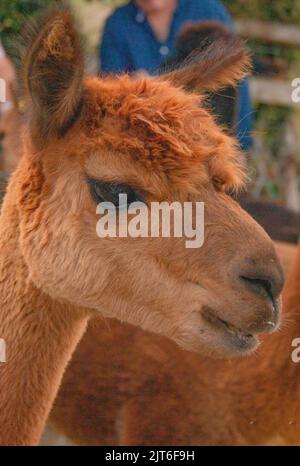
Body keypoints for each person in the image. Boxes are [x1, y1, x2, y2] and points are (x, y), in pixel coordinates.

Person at [100, 0, 252, 150]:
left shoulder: (208, 11)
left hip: (205, 141)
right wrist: (134, 88)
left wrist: (238, 146)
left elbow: (235, 79)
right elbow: (112, 96)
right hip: (143, 145)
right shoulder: (117, 24)